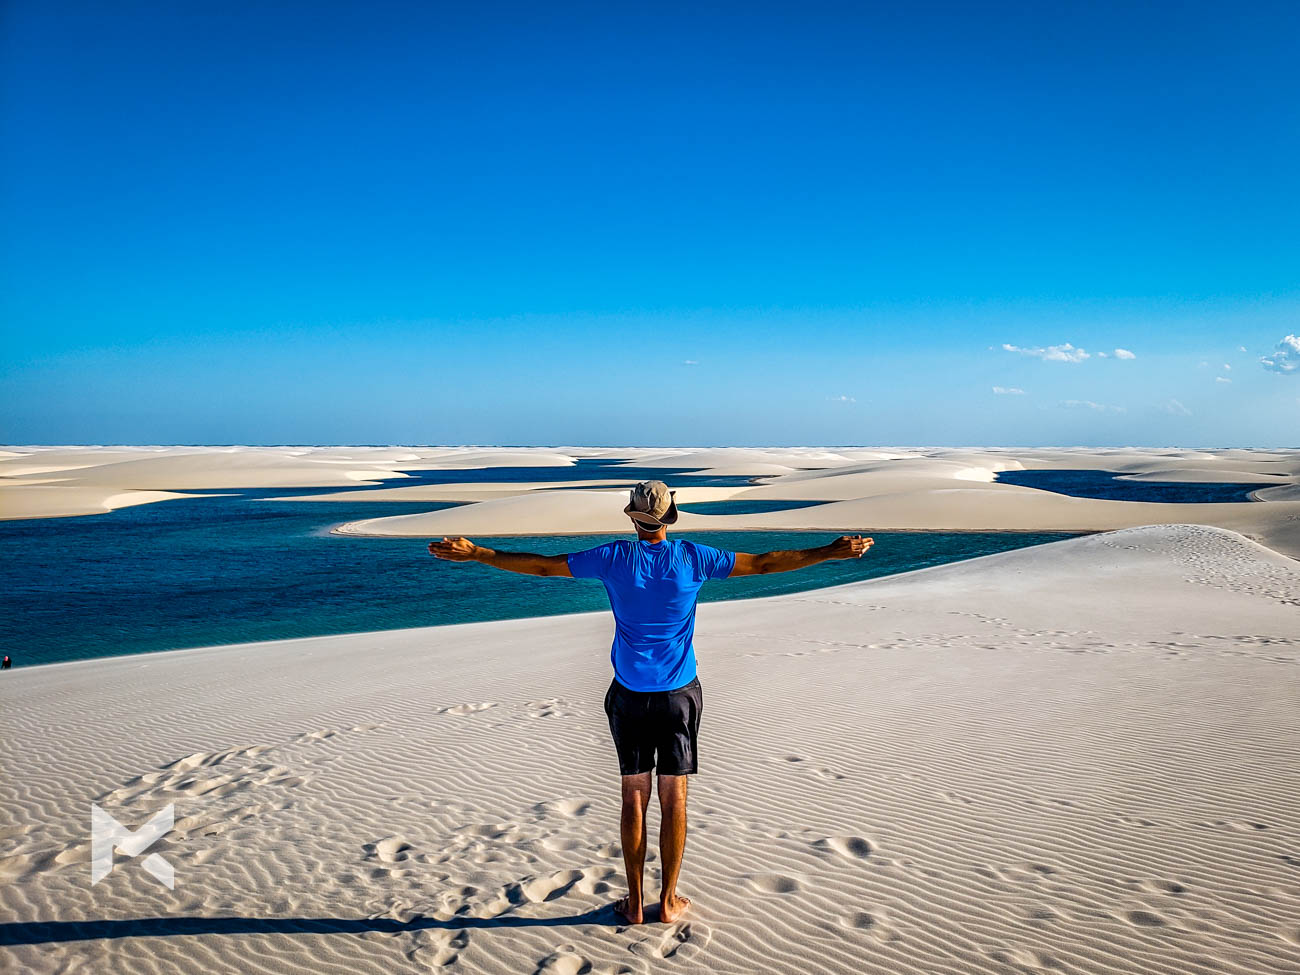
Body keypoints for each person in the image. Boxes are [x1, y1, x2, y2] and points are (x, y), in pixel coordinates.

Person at [428, 479, 873, 925]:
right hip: (679, 694)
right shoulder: (695, 558)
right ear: (672, 516)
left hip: (628, 695)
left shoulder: (613, 557)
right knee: (674, 798)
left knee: (633, 798)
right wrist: (827, 551)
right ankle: (670, 901)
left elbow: (545, 568)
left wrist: (480, 554)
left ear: (632, 516)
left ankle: (637, 903)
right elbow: (762, 564)